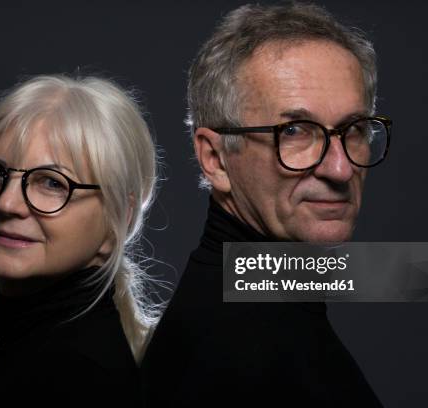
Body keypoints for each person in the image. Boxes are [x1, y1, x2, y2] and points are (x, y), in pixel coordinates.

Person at [142, 3, 390, 407]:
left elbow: (404, 275)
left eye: (354, 129)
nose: (342, 168)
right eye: (294, 131)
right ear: (216, 159)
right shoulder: (236, 344)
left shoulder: (255, 278)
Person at [0, 74, 158, 406]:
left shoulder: (79, 380)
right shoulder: (47, 360)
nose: (6, 204)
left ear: (120, 218)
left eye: (53, 183)